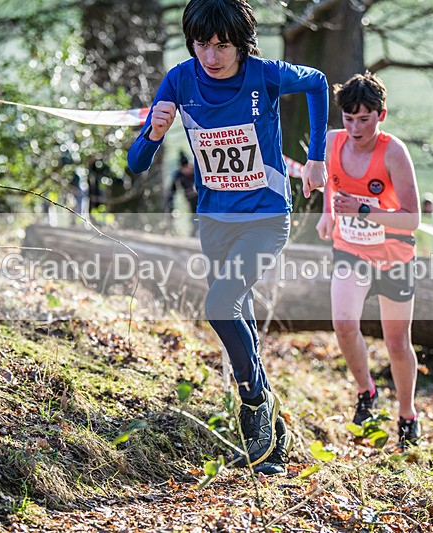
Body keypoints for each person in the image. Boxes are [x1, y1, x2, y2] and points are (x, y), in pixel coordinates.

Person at [127, 0, 328, 475]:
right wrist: (152, 135)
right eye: (201, 44)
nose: (211, 56)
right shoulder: (180, 79)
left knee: (218, 305)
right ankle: (272, 438)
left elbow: (318, 83)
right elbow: (136, 164)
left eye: (222, 46)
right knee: (235, 308)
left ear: (241, 43)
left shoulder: (266, 74)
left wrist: (316, 157)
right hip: (214, 221)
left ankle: (255, 402)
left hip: (264, 219)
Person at [315, 71, 422, 448]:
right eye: (349, 118)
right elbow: (330, 181)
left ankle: (407, 414)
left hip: (394, 254)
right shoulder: (332, 142)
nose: (356, 127)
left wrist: (363, 210)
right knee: (343, 324)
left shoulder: (393, 152)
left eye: (364, 119)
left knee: (396, 343)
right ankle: (367, 393)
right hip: (351, 249)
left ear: (381, 115)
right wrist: (329, 213)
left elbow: (412, 217)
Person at [166, 152, 199, 235]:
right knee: (194, 216)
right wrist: (171, 207)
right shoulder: (178, 174)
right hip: (190, 199)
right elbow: (172, 191)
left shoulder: (196, 170)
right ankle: (194, 233)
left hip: (200, 197)